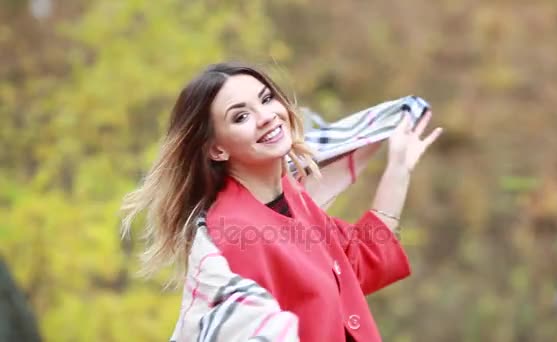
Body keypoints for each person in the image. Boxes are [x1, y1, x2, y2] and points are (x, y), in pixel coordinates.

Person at [121, 62, 443, 341]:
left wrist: (398, 167)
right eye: (241, 116)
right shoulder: (233, 236)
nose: (266, 116)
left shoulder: (291, 194)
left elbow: (354, 267)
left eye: (266, 99)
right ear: (217, 149)